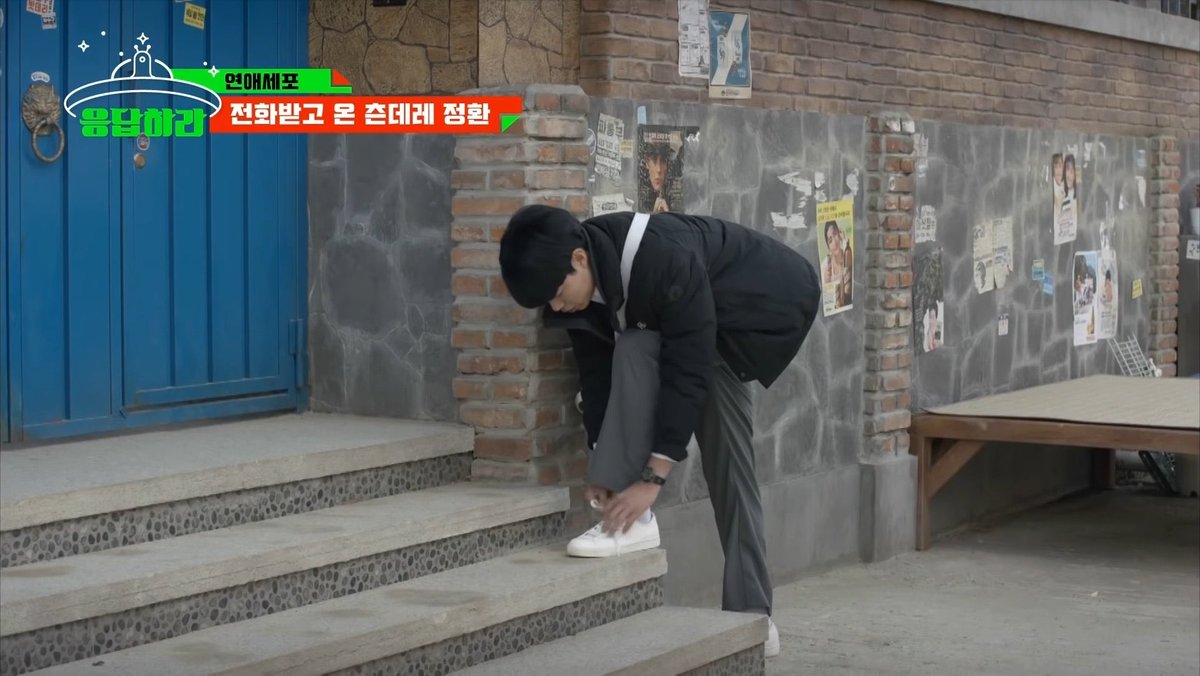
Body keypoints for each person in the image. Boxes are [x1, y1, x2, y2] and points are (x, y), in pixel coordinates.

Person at [498, 205, 822, 659]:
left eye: (556, 293)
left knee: (729, 464)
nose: (555, 307)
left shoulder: (662, 259)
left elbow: (687, 370)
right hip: (692, 321)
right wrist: (604, 464)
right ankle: (628, 520)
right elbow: (596, 376)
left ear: (578, 259)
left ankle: (752, 617)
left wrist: (651, 479)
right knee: (634, 347)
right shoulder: (583, 277)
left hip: (759, 309)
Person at [822, 220, 853, 310]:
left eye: (835, 234)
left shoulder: (848, 254)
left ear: (840, 234)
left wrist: (845, 241)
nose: (835, 242)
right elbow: (828, 305)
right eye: (830, 240)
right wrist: (827, 283)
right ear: (828, 247)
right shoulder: (825, 267)